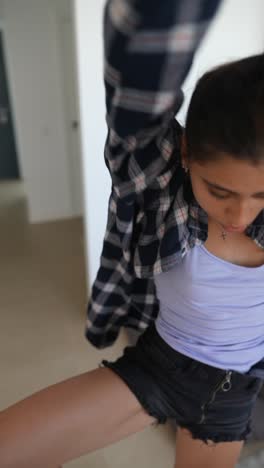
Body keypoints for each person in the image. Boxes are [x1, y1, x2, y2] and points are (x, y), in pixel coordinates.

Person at [1, 1, 264, 467]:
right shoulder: (161, 184)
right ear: (185, 152)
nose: (239, 213)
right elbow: (136, 85)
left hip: (232, 398)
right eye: (218, 190)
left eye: (261, 195)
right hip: (158, 368)